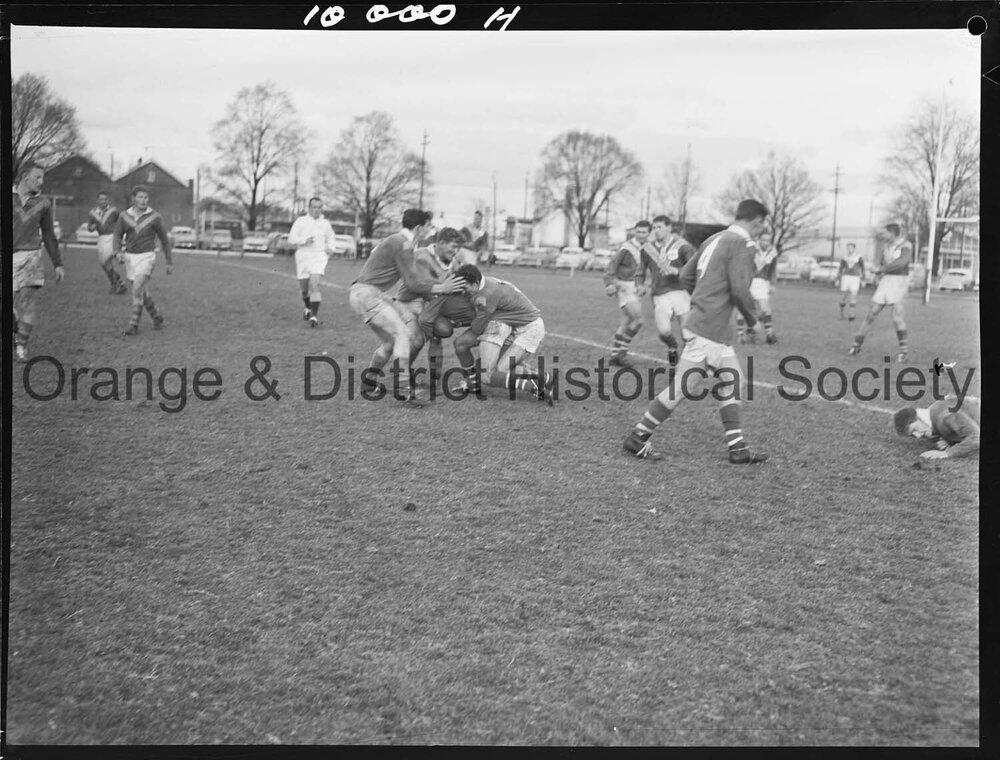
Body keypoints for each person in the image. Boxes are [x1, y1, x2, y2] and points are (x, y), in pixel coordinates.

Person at [623, 199, 771, 464]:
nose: (763, 229)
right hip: (710, 329)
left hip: (706, 325)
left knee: (733, 380)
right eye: (763, 224)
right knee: (683, 387)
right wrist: (753, 320)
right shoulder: (741, 244)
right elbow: (739, 289)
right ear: (757, 221)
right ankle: (638, 436)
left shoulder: (714, 239)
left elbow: (686, 277)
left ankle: (737, 448)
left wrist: (704, 300)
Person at [349, 208, 463, 407]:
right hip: (368, 294)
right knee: (402, 334)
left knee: (390, 343)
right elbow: (413, 284)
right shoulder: (404, 243)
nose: (429, 231)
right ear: (418, 227)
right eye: (427, 227)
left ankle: (368, 383)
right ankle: (403, 391)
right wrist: (442, 287)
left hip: (367, 294)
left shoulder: (398, 241)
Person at [450, 264, 554, 404]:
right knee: (493, 366)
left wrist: (459, 323)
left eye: (465, 287)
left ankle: (532, 386)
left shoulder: (487, 295)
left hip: (529, 329)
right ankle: (545, 378)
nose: (463, 292)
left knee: (498, 371)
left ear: (475, 283)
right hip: (516, 326)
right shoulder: (486, 283)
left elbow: (478, 327)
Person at [395, 226, 466, 388]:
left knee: (438, 337)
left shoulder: (454, 262)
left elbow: (457, 285)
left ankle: (434, 382)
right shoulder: (421, 255)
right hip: (409, 303)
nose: (456, 251)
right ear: (441, 243)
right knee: (417, 340)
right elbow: (416, 285)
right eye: (453, 247)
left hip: (431, 304)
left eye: (458, 248)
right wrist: (442, 286)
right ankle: (401, 375)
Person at [12, 162, 65, 362]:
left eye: (43, 178)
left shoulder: (43, 203)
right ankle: (16, 326)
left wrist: (58, 263)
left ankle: (21, 347)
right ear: (24, 176)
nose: (41, 182)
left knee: (27, 303)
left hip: (32, 256)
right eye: (37, 177)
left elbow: (49, 235)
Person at [113, 184, 173, 336]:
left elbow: (164, 240)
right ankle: (157, 316)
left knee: (137, 288)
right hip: (130, 258)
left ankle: (133, 325)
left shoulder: (155, 217)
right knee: (141, 292)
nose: (143, 200)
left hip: (147, 256)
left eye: (146, 197)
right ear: (134, 199)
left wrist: (169, 262)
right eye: (140, 197)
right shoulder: (124, 216)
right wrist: (118, 252)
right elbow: (117, 235)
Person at [637, 215, 696, 367]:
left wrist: (676, 271)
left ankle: (686, 366)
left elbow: (694, 269)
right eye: (654, 228)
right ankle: (672, 346)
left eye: (660, 227)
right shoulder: (647, 249)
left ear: (669, 228)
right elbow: (640, 271)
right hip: (660, 295)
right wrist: (639, 284)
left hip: (682, 293)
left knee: (687, 335)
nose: (656, 231)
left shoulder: (683, 246)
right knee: (664, 331)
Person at [848, 223, 912, 362]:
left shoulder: (906, 245)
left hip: (900, 281)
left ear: (892, 233)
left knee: (897, 317)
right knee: (871, 313)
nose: (883, 235)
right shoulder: (885, 247)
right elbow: (880, 263)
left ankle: (903, 352)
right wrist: (876, 271)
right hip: (886, 281)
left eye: (885, 233)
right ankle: (856, 345)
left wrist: (882, 269)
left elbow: (901, 263)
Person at [603, 221, 650, 367]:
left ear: (649, 233)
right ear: (634, 232)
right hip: (624, 287)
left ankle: (614, 355)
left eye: (644, 232)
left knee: (626, 323)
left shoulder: (648, 248)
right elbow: (612, 265)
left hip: (635, 288)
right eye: (639, 231)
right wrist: (610, 283)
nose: (641, 234)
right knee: (638, 320)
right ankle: (622, 353)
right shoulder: (627, 248)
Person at [288, 197, 336, 327]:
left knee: (314, 285)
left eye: (319, 207)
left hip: (319, 256)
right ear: (309, 208)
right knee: (304, 289)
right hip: (303, 256)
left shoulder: (325, 223)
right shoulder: (301, 221)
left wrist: (331, 248)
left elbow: (331, 238)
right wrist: (304, 240)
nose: (317, 210)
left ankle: (314, 316)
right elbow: (291, 238)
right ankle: (308, 307)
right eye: (314, 207)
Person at [894, 395, 980, 461]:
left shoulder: (945, 416)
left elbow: (976, 438)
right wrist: (950, 440)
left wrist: (946, 453)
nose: (918, 436)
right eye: (912, 435)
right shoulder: (933, 413)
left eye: (914, 430)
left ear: (919, 417)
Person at [736, 230, 778, 344]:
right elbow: (743, 265)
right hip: (749, 281)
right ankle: (741, 335)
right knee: (744, 309)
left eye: (768, 240)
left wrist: (772, 284)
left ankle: (768, 334)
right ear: (759, 240)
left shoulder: (772, 252)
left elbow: (773, 270)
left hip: (763, 284)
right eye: (763, 240)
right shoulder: (752, 250)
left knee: (764, 310)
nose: (765, 242)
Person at [87, 191, 127, 294]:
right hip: (102, 239)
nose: (103, 201)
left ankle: (115, 284)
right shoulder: (92, 213)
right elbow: (89, 227)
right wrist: (91, 228)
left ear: (107, 200)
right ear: (97, 200)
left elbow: (122, 221)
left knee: (106, 261)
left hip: (112, 237)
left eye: (105, 199)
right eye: (101, 199)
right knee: (105, 264)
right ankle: (119, 284)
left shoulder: (113, 211)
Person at [838, 242, 866, 322]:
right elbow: (840, 268)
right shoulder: (844, 257)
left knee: (853, 296)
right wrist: (838, 279)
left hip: (855, 278)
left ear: (854, 248)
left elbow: (863, 268)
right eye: (848, 248)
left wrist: (863, 279)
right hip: (846, 277)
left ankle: (851, 314)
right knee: (844, 297)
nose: (850, 249)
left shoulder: (859, 257)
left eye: (851, 248)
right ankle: (841, 313)